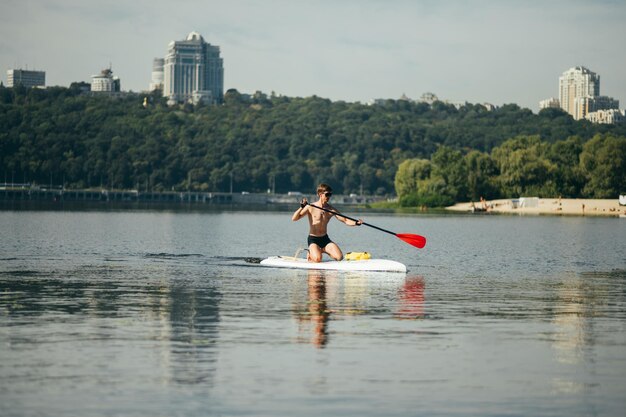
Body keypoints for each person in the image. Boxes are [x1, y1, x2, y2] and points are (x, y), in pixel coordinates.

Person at [292, 183, 362, 262]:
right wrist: (301, 207)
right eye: (327, 194)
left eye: (330, 195)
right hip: (313, 239)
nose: (329, 197)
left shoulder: (331, 209)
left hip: (325, 239)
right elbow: (294, 218)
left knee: (339, 257)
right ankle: (311, 252)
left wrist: (356, 223)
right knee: (318, 259)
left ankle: (322, 250)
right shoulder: (311, 207)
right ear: (320, 194)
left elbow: (345, 220)